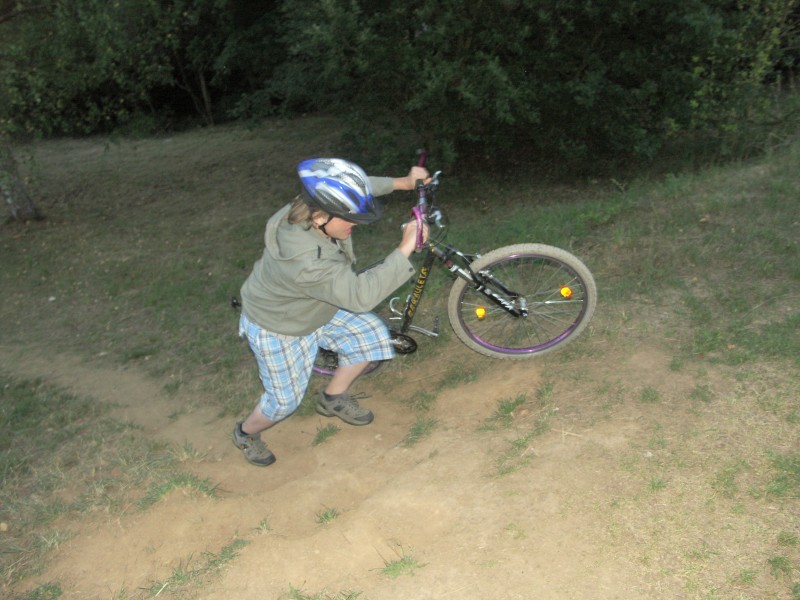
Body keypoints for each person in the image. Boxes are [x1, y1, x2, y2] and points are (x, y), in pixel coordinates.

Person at [232, 157, 430, 466]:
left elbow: (357, 189)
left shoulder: (310, 206)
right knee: (283, 402)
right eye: (349, 218)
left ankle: (332, 397)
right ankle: (245, 433)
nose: (355, 223)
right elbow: (360, 296)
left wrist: (402, 183)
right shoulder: (305, 260)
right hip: (281, 326)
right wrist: (405, 247)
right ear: (320, 216)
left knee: (370, 335)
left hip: (314, 303)